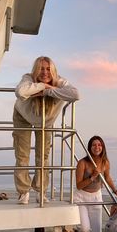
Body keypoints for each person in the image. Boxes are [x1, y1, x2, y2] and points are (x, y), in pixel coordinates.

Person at [13, 56, 79, 204]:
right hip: (23, 115)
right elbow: (20, 92)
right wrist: (43, 86)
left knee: (43, 155)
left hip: (45, 120)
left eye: (48, 69)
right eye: (41, 68)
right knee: (22, 155)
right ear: (36, 69)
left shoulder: (60, 81)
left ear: (53, 70)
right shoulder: (28, 77)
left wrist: (49, 91)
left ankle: (40, 190)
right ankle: (23, 192)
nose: (45, 72)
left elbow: (75, 94)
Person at [75, 136, 117, 232]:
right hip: (82, 197)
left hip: (96, 198)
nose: (97, 147)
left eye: (99, 145)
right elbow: (79, 185)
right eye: (94, 145)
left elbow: (108, 178)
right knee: (85, 229)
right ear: (89, 147)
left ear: (103, 147)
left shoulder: (105, 162)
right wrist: (92, 177)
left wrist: (115, 191)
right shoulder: (82, 163)